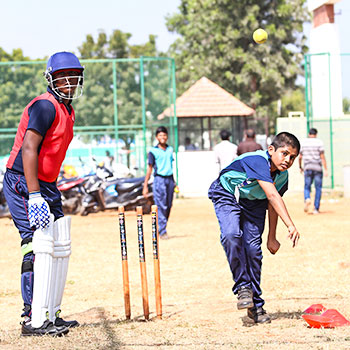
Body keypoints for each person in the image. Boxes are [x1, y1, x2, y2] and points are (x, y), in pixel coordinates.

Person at [3, 52, 84, 336]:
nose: (69, 82)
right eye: (63, 77)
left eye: (74, 76)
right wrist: (35, 195)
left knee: (60, 243)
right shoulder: (45, 106)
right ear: (51, 78)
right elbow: (29, 149)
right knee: (36, 245)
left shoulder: (68, 110)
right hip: (23, 182)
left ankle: (50, 311)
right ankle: (31, 317)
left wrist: (46, 188)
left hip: (46, 184)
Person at [208, 132, 301, 324]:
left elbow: (273, 202)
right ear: (271, 150)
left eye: (292, 157)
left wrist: (272, 237)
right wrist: (290, 225)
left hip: (253, 202)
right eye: (284, 154)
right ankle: (243, 286)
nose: (288, 160)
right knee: (232, 235)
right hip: (227, 192)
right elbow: (273, 196)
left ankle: (255, 305)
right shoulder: (258, 161)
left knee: (253, 251)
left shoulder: (282, 177)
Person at [143, 126, 176, 239]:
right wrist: (145, 185)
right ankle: (162, 230)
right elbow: (150, 168)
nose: (163, 137)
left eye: (164, 135)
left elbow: (170, 165)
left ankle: (161, 226)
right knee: (161, 205)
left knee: (168, 205)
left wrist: (174, 181)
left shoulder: (170, 149)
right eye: (160, 135)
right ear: (157, 137)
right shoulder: (153, 151)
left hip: (169, 179)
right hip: (159, 180)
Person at [299, 128, 328, 214]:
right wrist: (325, 169)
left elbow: (300, 157)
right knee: (318, 188)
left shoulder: (304, 143)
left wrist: (300, 167)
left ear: (309, 134)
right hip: (318, 168)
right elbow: (322, 157)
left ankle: (307, 198)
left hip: (307, 167)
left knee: (307, 186)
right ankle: (316, 208)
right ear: (316, 134)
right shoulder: (319, 142)